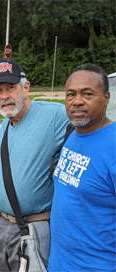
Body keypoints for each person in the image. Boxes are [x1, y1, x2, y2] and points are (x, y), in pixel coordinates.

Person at [0, 58, 69, 272]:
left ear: (26, 87)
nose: (5, 96)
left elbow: (92, 124)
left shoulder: (54, 116)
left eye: (11, 88)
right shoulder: (6, 122)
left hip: (33, 227)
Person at [48, 64, 116, 271]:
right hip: (59, 263)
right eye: (70, 95)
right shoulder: (74, 134)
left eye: (87, 94)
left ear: (106, 98)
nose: (76, 101)